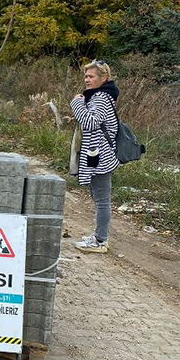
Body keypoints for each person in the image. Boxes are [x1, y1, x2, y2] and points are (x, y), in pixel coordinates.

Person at [70, 60, 119, 254]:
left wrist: (76, 103)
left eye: (91, 76)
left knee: (102, 200)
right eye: (86, 76)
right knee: (100, 198)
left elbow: (90, 122)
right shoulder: (103, 96)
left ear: (103, 78)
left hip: (99, 156)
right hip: (98, 154)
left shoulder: (100, 97)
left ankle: (100, 240)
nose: (87, 80)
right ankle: (99, 236)